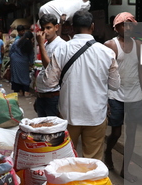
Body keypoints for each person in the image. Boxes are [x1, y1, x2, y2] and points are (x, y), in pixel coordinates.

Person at [42, 11, 120, 159]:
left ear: (72, 28)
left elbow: (49, 82)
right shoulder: (106, 52)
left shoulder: (62, 49)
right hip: (96, 114)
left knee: (66, 159)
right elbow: (115, 85)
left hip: (68, 114)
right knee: (92, 161)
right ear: (92, 27)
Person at [103, 12, 142, 183]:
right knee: (116, 132)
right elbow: (104, 73)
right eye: (124, 24)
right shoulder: (110, 46)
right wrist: (105, 98)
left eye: (130, 24)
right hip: (115, 95)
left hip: (135, 95)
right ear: (117, 27)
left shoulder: (140, 46)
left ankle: (125, 169)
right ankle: (108, 152)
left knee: (132, 133)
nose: (127, 28)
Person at [35, 14, 66, 117]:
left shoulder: (60, 45)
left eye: (48, 28)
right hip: (42, 93)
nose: (45, 32)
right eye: (43, 28)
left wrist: (40, 44)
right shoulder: (46, 44)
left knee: (52, 127)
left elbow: (50, 68)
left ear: (56, 27)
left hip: (52, 95)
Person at [8, 25, 35, 97]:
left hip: (15, 61)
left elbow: (11, 51)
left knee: (16, 76)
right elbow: (31, 55)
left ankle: (19, 90)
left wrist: (11, 59)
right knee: (25, 76)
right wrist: (31, 63)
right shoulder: (29, 45)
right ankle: (26, 91)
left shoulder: (17, 42)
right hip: (24, 62)